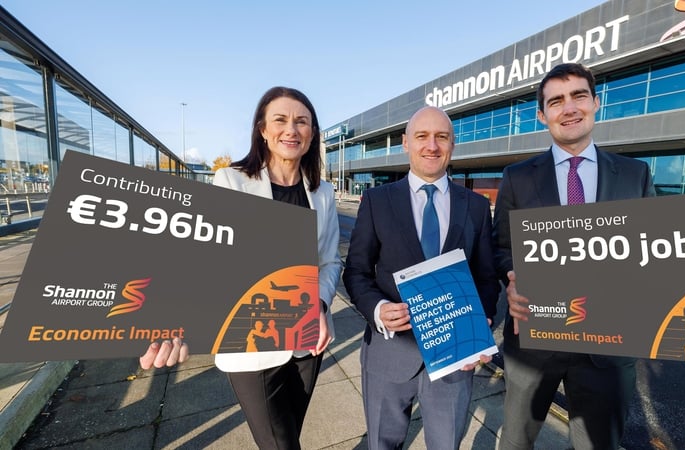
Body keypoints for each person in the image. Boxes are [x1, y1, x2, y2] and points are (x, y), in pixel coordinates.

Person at [140, 86, 342, 450]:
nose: (291, 130)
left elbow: (329, 261)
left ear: (312, 133)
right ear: (262, 130)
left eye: (302, 121)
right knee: (280, 444)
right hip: (250, 343)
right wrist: (173, 320)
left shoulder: (322, 192)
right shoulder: (231, 181)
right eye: (280, 120)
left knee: (288, 435)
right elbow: (202, 261)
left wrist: (322, 305)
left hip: (307, 341)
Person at [492, 63, 656, 450]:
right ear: (542, 114)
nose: (569, 108)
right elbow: (500, 248)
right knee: (515, 443)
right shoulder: (517, 177)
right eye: (556, 101)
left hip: (608, 349)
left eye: (578, 96)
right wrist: (512, 279)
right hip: (534, 342)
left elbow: (652, 252)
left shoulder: (635, 175)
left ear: (596, 103)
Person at [343, 106, 499, 450]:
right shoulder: (376, 200)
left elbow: (487, 277)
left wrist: (483, 319)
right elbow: (355, 271)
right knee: (382, 444)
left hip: (455, 355)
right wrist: (377, 309)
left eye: (441, 137)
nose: (432, 145)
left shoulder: (474, 206)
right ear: (405, 143)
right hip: (389, 353)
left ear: (452, 146)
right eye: (422, 136)